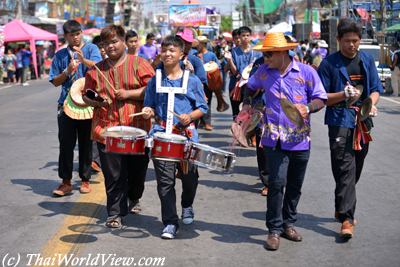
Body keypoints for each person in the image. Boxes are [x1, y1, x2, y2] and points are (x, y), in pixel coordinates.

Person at [247, 32, 327, 251]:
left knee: (295, 185)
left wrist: (308, 107)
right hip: (273, 139)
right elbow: (250, 88)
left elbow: (321, 99)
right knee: (276, 183)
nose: (266, 58)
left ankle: (288, 224)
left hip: (300, 139)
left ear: (283, 52)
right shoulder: (263, 72)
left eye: (269, 54)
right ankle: (273, 229)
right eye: (264, 54)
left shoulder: (307, 72)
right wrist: (248, 105)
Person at [83, 25, 155, 227]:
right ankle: (114, 213)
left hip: (137, 129)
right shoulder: (96, 70)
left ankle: (134, 196)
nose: (110, 46)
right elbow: (86, 95)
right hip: (106, 130)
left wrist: (128, 94)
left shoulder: (140, 64)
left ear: (124, 41)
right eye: (106, 43)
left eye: (114, 41)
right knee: (113, 175)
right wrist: (97, 101)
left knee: (136, 175)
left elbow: (152, 90)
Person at [317, 18, 383, 239]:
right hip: (339, 122)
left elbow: (375, 90)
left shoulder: (365, 61)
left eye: (355, 41)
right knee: (345, 168)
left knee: (356, 166)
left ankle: (341, 203)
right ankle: (347, 218)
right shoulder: (328, 64)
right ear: (338, 40)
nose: (351, 45)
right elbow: (321, 97)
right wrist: (343, 95)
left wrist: (371, 104)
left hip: (362, 122)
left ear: (359, 40)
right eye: (347, 41)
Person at [142, 35, 208, 239]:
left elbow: (202, 107)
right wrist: (148, 111)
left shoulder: (193, 80)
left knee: (190, 179)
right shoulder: (155, 79)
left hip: (186, 137)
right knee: (165, 182)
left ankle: (187, 205)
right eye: (164, 50)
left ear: (181, 54)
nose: (167, 54)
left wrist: (191, 116)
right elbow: (149, 104)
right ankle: (170, 222)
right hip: (162, 136)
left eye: (172, 50)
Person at [49, 20, 102, 196]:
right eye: (72, 35)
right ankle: (65, 182)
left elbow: (98, 68)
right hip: (66, 105)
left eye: (78, 33)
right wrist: (67, 71)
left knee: (86, 144)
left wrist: (82, 59)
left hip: (87, 104)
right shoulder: (59, 55)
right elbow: (55, 82)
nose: (76, 37)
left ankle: (85, 180)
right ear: (66, 37)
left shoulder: (91, 49)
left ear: (82, 33)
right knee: (66, 145)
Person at [225, 26, 262, 119]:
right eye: (243, 35)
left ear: (250, 37)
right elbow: (234, 71)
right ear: (239, 37)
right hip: (236, 85)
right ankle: (237, 131)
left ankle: (248, 132)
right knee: (236, 112)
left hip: (252, 85)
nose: (245, 37)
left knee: (252, 112)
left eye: (247, 35)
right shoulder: (233, 52)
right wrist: (230, 61)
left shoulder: (256, 51)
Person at [194, 35, 222, 131]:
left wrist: (212, 66)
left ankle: (207, 122)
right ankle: (200, 120)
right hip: (196, 82)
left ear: (203, 44)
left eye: (199, 44)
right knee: (196, 102)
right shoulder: (194, 54)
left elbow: (217, 66)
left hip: (208, 82)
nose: (197, 45)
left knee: (207, 102)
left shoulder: (211, 55)